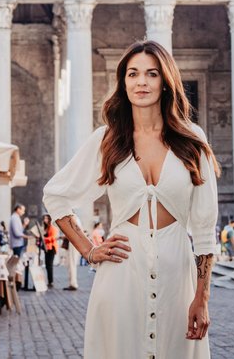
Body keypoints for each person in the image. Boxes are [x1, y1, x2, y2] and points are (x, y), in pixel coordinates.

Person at [43, 40, 219, 358]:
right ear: (123, 83)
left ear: (166, 82)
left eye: (151, 74)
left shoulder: (193, 140)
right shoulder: (107, 140)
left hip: (178, 279)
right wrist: (88, 249)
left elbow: (205, 228)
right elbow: (56, 195)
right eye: (133, 74)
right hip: (120, 277)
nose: (141, 82)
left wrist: (201, 297)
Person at [42, 214, 58, 288]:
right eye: (44, 218)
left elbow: (53, 238)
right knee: (47, 265)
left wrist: (43, 238)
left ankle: (51, 282)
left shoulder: (52, 228)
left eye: (46, 218)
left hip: (52, 248)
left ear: (49, 219)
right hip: (47, 248)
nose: (45, 220)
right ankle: (49, 281)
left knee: (50, 265)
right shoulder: (46, 228)